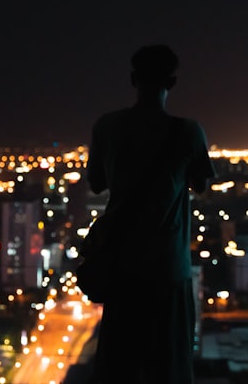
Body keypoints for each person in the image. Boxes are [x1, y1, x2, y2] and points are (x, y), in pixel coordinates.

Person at [86, 44, 216, 384]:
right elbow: (201, 184)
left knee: (118, 368)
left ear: (132, 78)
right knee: (169, 369)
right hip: (168, 269)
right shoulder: (188, 131)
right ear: (172, 82)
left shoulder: (107, 126)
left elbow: (96, 182)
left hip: (122, 268)